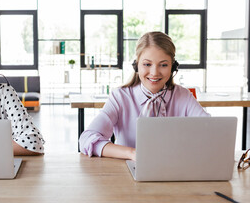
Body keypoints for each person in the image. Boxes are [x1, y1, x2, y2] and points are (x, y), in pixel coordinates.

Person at [79, 31, 209, 160]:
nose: (154, 73)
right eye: (147, 64)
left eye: (163, 65)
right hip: (128, 173)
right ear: (136, 66)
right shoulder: (120, 97)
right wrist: (131, 153)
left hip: (174, 170)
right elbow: (87, 139)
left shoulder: (183, 96)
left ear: (173, 67)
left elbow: (211, 131)